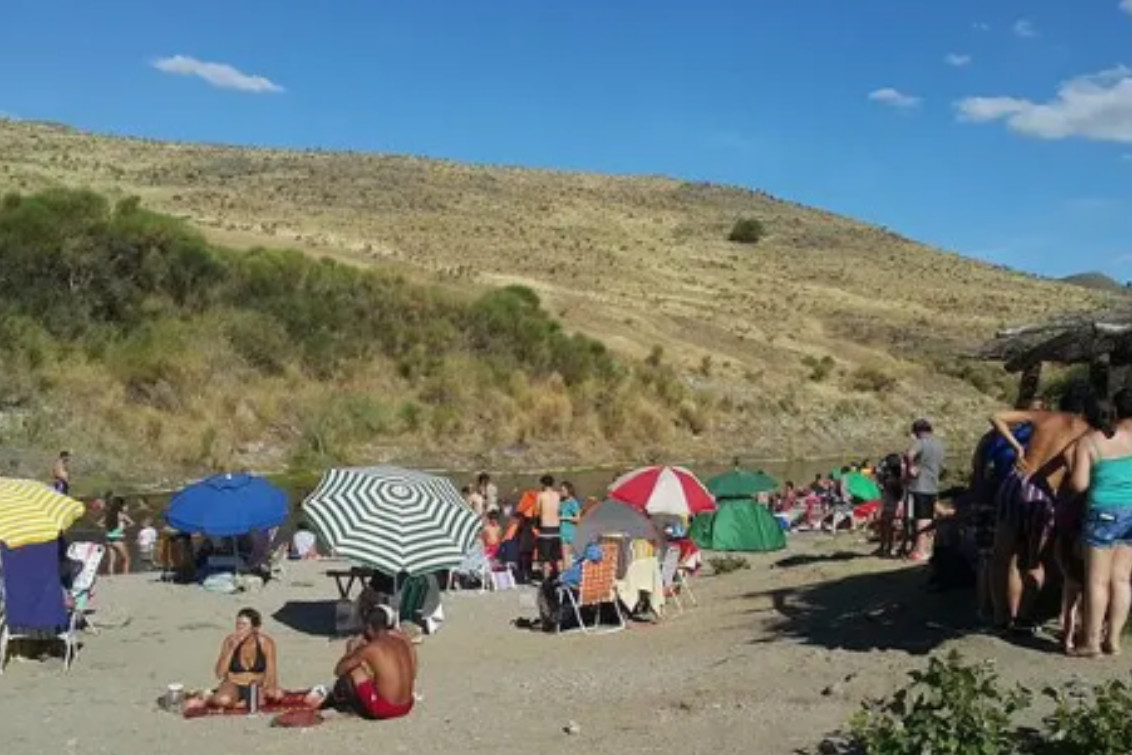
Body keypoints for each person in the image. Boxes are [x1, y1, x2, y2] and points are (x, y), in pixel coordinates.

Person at [989, 384, 1091, 634]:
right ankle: (1024, 616)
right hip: (1044, 492)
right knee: (1036, 561)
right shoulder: (1085, 431)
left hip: (1017, 482)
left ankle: (1002, 617)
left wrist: (1017, 446)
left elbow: (996, 416)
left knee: (1003, 556)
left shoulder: (1045, 417)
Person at [1069, 389, 1132, 658]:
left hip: (1102, 512)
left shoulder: (1088, 442)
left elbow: (1079, 484)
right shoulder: (1131, 438)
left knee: (1096, 581)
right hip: (1130, 511)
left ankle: (1090, 642)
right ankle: (1114, 640)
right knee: (1121, 579)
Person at [319, 605, 417, 720]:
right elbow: (414, 670)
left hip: (385, 709)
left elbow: (339, 670)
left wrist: (350, 650)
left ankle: (346, 705)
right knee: (380, 672)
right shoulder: (402, 641)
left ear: (369, 627)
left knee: (356, 671)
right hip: (407, 705)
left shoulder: (371, 648)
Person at [184, 608, 283, 712]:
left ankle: (240, 703)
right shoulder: (230, 641)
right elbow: (219, 673)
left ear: (255, 628)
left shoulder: (265, 643)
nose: (239, 628)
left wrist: (269, 688)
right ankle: (207, 698)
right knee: (224, 700)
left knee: (277, 695)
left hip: (255, 686)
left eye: (244, 625)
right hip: (233, 684)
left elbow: (271, 672)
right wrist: (232, 649)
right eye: (238, 624)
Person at [904, 419, 945, 562]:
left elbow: (909, 454)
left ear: (917, 431)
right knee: (930, 517)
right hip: (933, 485)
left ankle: (920, 550)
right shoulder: (939, 444)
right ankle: (927, 549)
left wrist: (910, 468)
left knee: (921, 518)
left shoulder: (921, 442)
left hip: (920, 485)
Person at [535, 474, 562, 577]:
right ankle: (560, 579)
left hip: (545, 529)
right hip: (556, 528)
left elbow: (537, 512)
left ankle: (546, 581)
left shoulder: (541, 495)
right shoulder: (557, 495)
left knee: (545, 559)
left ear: (543, 484)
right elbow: (559, 511)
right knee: (558, 558)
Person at [102, 496, 134, 575]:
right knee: (126, 559)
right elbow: (132, 523)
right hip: (118, 538)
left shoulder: (108, 514)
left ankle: (111, 576)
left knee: (112, 560)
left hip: (109, 538)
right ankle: (125, 575)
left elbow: (99, 523)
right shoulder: (121, 515)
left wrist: (108, 528)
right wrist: (122, 527)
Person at [559, 481, 582, 558]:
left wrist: (564, 518)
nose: (561, 492)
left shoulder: (573, 502)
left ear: (569, 490)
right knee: (564, 557)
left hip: (571, 532)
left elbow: (578, 519)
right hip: (562, 532)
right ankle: (566, 570)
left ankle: (569, 570)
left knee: (569, 557)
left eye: (563, 490)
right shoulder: (562, 502)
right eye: (560, 490)